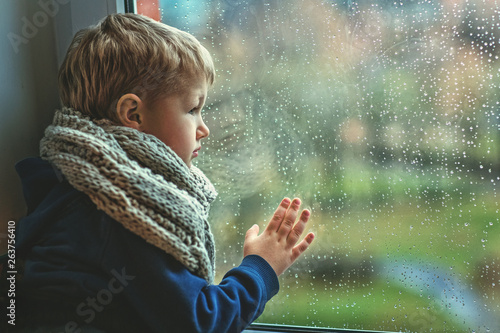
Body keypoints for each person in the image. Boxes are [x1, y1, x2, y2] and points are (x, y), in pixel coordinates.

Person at [12, 13, 315, 333]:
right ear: (133, 114)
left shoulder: (77, 187)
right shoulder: (125, 210)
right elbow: (200, 322)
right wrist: (261, 267)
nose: (204, 129)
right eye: (192, 109)